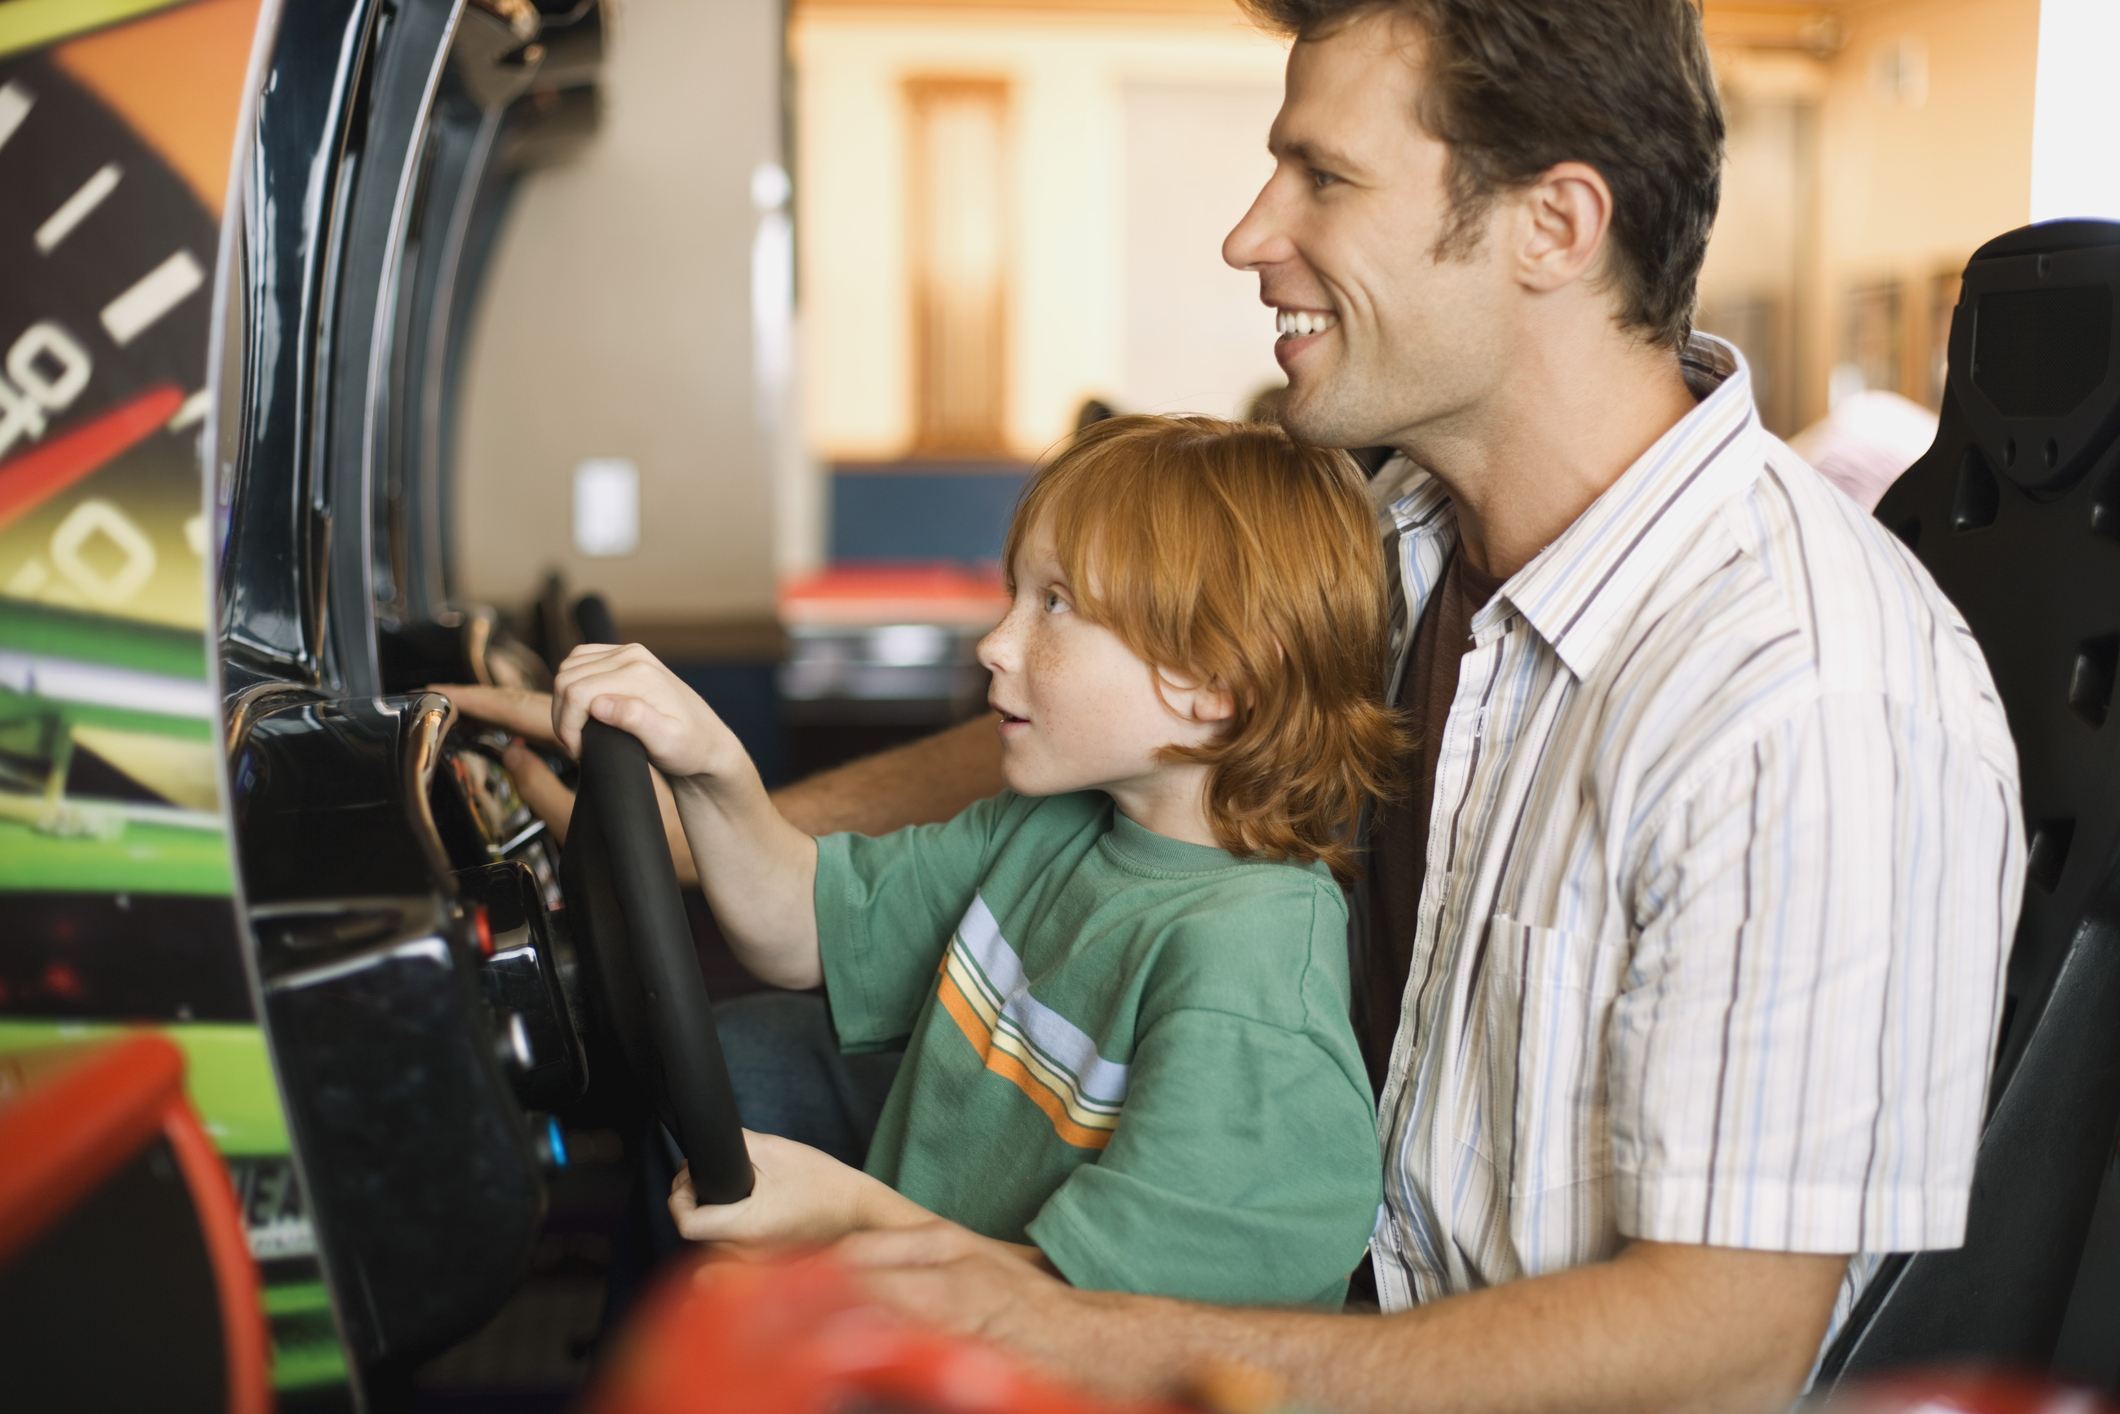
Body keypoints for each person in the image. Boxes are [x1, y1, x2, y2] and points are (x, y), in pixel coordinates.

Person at [446, 1, 2024, 1407]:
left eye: (1322, 177)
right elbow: (1086, 736)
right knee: (736, 1070)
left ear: (1553, 224)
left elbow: (1724, 1345)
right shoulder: (1392, 532)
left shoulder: (1808, 695)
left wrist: (1046, 1322)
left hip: (1397, 1356)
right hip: (1277, 1247)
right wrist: (723, 826)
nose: (1247, 232)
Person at [541, 415, 1402, 1308]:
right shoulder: (1053, 826)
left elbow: (1117, 1327)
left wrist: (851, 1222)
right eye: (1015, 595)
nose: (995, 642)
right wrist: (711, 764)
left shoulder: (1248, 983)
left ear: (1214, 682)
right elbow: (800, 930)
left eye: (1056, 604)